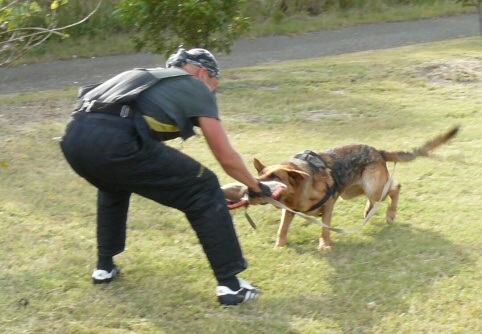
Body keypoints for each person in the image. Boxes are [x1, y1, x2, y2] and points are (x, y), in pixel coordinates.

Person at [60, 48, 272, 306]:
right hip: (116, 141)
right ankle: (231, 286)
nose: (212, 93)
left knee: (113, 184)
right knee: (203, 187)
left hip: (74, 139)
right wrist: (256, 186)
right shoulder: (194, 85)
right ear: (203, 73)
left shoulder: (144, 76)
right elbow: (225, 156)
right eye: (214, 86)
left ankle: (104, 267)